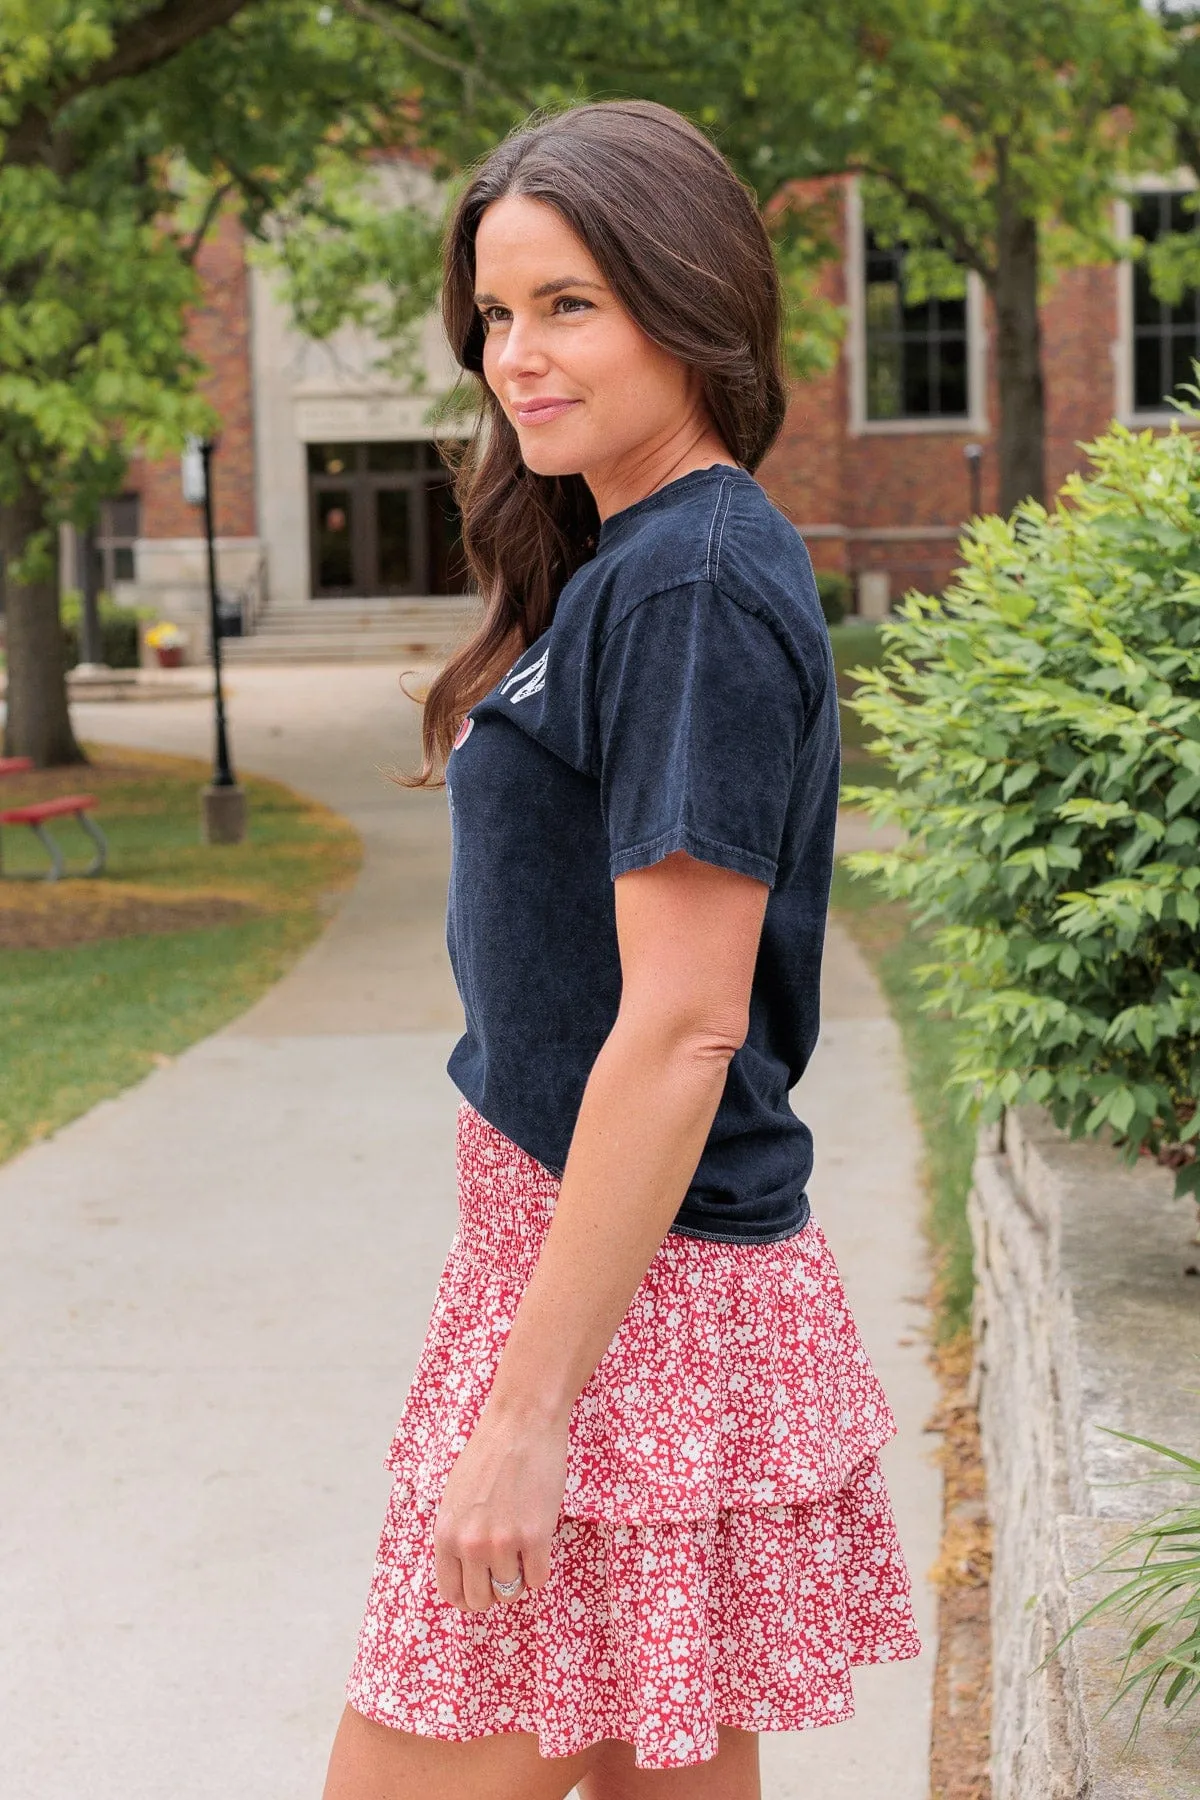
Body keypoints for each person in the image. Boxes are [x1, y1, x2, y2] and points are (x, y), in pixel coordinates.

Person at [322, 99, 920, 1800]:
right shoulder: (636, 559)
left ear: (692, 298)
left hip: (631, 1304)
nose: (517, 355)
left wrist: (525, 1415)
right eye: (497, 316)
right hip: (613, 1276)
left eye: (569, 303)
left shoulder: (690, 584)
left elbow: (681, 1028)